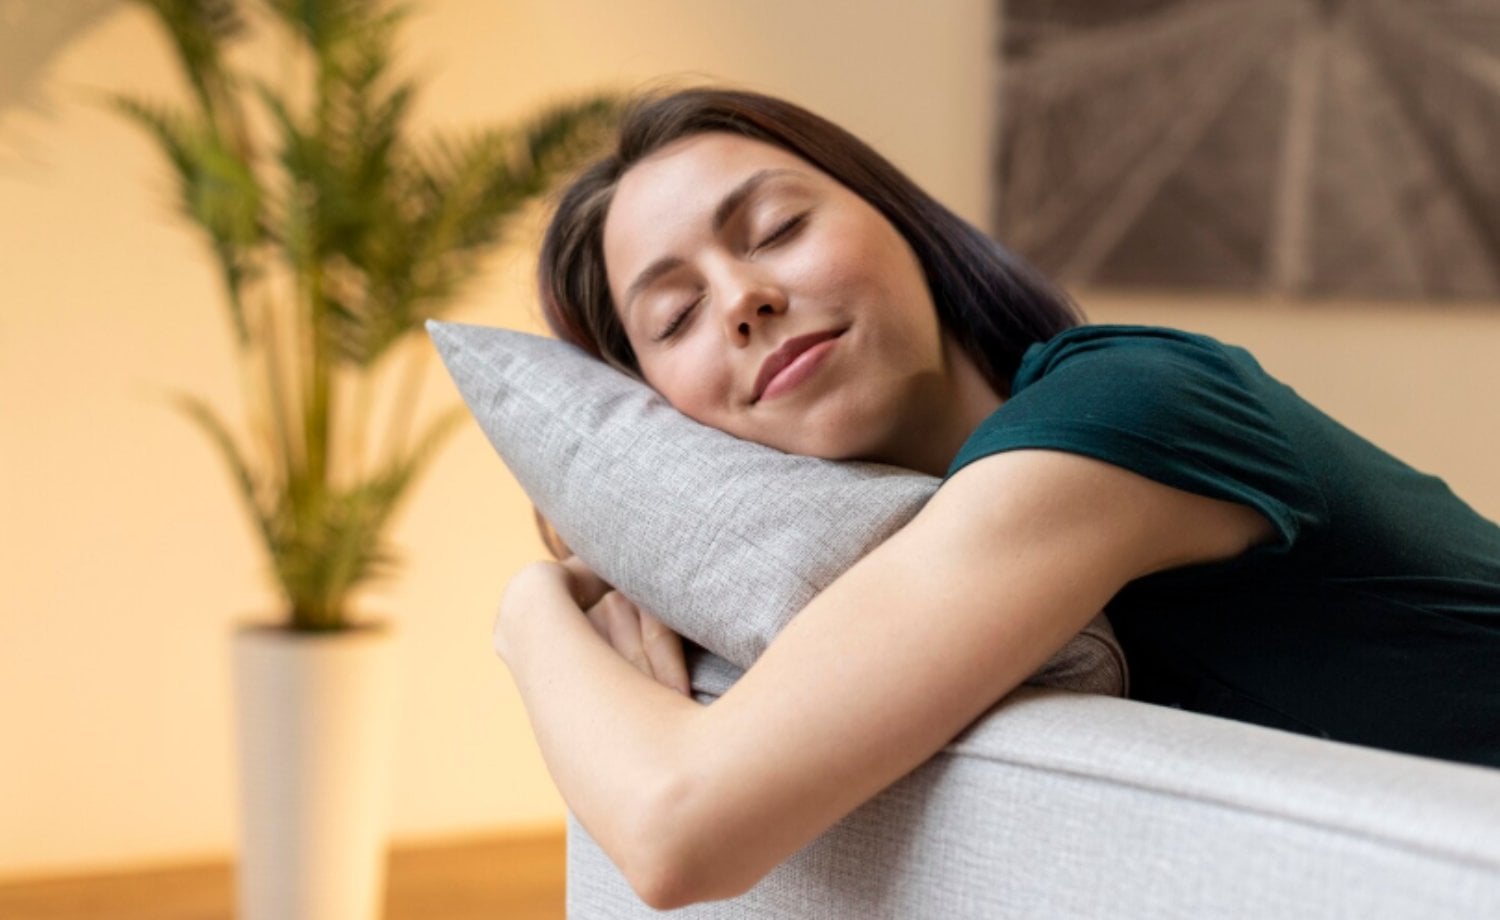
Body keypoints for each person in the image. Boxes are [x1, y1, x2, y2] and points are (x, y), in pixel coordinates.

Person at [493, 85, 1500, 909]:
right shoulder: (926, 537)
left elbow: (680, 832)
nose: (741, 300)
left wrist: (530, 610)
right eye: (676, 317)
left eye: (778, 228)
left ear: (902, 224)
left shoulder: (1128, 404)